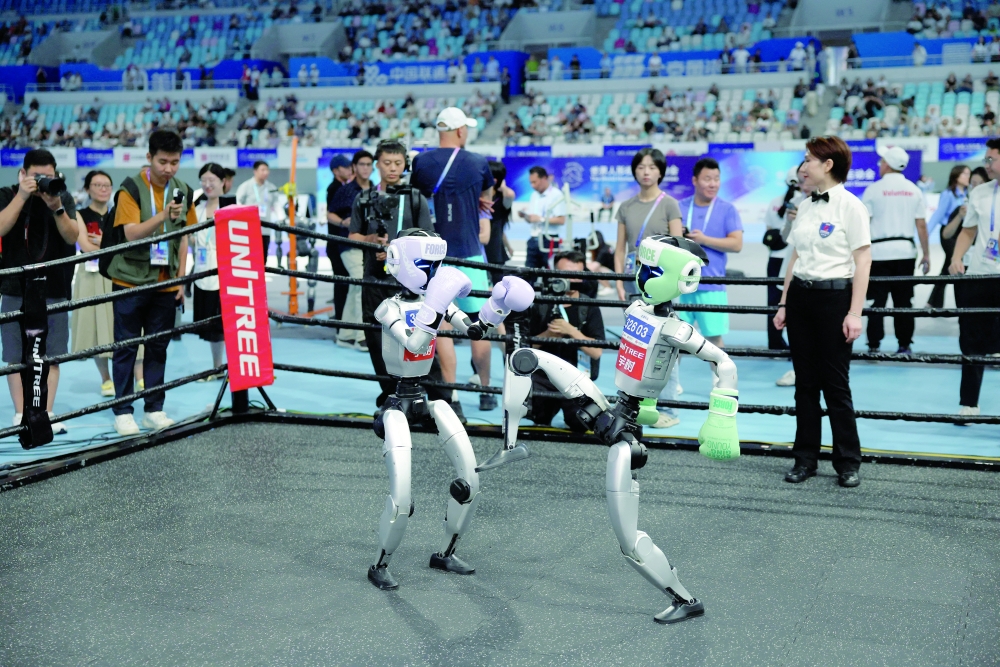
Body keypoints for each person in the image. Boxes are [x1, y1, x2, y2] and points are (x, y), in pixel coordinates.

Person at [774, 136, 871, 488]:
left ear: (827, 164)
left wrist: (855, 312)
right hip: (801, 297)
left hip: (835, 299)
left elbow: (863, 260)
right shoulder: (807, 204)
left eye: (809, 160)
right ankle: (805, 459)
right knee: (804, 384)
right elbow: (795, 256)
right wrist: (784, 302)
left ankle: (847, 461)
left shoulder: (851, 206)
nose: (803, 166)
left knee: (835, 384)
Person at [107, 129, 197, 437]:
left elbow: (185, 236)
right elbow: (131, 234)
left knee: (158, 348)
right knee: (126, 348)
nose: (169, 168)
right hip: (130, 281)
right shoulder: (129, 189)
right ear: (149, 158)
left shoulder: (183, 188)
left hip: (166, 284)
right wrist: (162, 216)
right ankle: (122, 411)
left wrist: (181, 280)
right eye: (163, 161)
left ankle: (154, 409)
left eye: (174, 162)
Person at [410, 108, 496, 414]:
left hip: (436, 258)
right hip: (471, 253)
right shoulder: (477, 162)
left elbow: (415, 199)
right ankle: (486, 391)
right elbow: (487, 194)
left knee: (442, 326)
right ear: (461, 131)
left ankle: (452, 397)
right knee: (479, 325)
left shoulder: (421, 162)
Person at [348, 141, 434, 409]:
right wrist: (372, 240)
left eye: (398, 163)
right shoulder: (363, 198)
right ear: (377, 164)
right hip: (373, 278)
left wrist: (399, 253)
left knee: (415, 336)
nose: (393, 168)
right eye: (387, 163)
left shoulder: (416, 198)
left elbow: (429, 239)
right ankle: (389, 391)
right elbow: (353, 236)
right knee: (375, 337)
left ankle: (416, 390)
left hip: (410, 284)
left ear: (405, 164)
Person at [0, 149, 79, 434]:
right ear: (23, 174)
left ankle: (46, 411)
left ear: (56, 174)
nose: (43, 181)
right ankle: (21, 413)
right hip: (13, 287)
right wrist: (22, 195)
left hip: (54, 286)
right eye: (36, 176)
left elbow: (73, 237)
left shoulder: (62, 197)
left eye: (48, 176)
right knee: (15, 353)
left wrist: (56, 206)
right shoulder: (8, 194)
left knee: (52, 353)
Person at [613, 147, 683, 428]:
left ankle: (669, 408)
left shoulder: (670, 204)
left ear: (661, 172)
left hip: (662, 281)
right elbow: (620, 249)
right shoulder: (626, 207)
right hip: (633, 279)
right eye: (641, 166)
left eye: (652, 167)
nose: (646, 171)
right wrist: (619, 281)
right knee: (635, 343)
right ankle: (634, 405)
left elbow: (680, 249)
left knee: (665, 343)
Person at [70, 170, 143, 398]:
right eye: (97, 184)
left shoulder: (121, 212)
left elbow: (128, 241)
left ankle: (139, 377)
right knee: (96, 329)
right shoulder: (80, 214)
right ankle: (106, 379)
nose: (103, 188)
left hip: (120, 272)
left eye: (106, 185)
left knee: (131, 325)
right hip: (91, 277)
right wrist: (108, 243)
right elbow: (84, 245)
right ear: (88, 188)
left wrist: (102, 242)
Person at [948, 138, 1000, 420]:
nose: (987, 164)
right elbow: (968, 231)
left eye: (992, 159)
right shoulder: (980, 192)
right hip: (979, 274)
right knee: (970, 339)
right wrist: (957, 257)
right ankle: (969, 403)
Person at [525, 250, 604, 430]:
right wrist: (548, 335)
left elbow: (597, 352)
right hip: (544, 378)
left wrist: (571, 331)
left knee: (581, 426)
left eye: (576, 274)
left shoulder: (589, 306)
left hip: (577, 379)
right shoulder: (542, 303)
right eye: (565, 273)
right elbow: (523, 348)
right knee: (538, 420)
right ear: (555, 274)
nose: (570, 279)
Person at [860, 146, 929, 355]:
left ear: (887, 164)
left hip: (879, 254)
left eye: (882, 162)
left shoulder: (873, 190)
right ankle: (904, 344)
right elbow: (921, 226)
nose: (880, 165)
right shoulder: (914, 190)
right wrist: (926, 254)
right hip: (906, 253)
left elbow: (863, 223)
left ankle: (873, 345)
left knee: (875, 303)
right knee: (904, 302)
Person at [676, 158, 743, 350]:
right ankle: (673, 382)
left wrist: (704, 240)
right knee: (675, 341)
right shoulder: (679, 207)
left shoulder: (727, 209)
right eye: (707, 178)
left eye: (716, 179)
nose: (713, 184)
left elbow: (737, 244)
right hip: (680, 285)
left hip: (712, 285)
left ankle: (720, 381)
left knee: (714, 342)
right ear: (695, 180)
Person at [763, 164, 808, 387]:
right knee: (783, 306)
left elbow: (769, 229)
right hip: (789, 260)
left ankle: (780, 346)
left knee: (777, 303)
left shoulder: (778, 202)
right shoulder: (798, 203)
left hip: (781, 258)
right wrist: (790, 221)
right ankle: (796, 359)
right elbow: (783, 234)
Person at [190, 163, 235, 381]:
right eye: (204, 181)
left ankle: (235, 368)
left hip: (228, 273)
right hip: (202, 270)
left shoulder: (233, 206)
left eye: (212, 181)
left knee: (230, 324)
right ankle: (217, 368)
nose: (208, 185)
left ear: (222, 182)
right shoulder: (196, 209)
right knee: (212, 327)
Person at [329, 150, 374, 351]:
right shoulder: (346, 190)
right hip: (348, 244)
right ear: (355, 167)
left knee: (355, 287)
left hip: (369, 244)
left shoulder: (377, 189)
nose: (366, 168)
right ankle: (361, 336)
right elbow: (329, 214)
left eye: (369, 164)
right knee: (362, 285)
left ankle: (345, 335)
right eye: (362, 164)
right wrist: (344, 222)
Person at [926, 165, 970, 309]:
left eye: (969, 174)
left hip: (961, 234)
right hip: (948, 234)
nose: (967, 177)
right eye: (964, 174)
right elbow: (938, 214)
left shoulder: (969, 193)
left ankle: (933, 302)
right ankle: (937, 302)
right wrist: (925, 234)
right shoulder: (948, 194)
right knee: (953, 263)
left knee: (947, 268)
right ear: (956, 176)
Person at [323, 153, 356, 326]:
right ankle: (341, 319)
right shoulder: (335, 189)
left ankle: (342, 318)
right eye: (346, 167)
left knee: (343, 282)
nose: (350, 169)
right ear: (336, 170)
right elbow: (331, 215)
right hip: (337, 243)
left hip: (338, 242)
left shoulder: (341, 187)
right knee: (342, 282)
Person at [234, 160, 280, 265]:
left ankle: (261, 280)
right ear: (255, 171)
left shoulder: (271, 187)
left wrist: (281, 219)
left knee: (263, 260)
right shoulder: (246, 186)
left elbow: (276, 204)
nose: (266, 172)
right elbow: (237, 202)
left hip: (265, 229)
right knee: (249, 260)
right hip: (249, 230)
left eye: (267, 170)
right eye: (262, 170)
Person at [518, 166, 566, 269]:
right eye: (531, 182)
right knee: (529, 272)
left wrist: (541, 219)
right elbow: (533, 219)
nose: (532, 185)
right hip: (534, 238)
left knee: (549, 273)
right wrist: (525, 216)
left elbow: (561, 220)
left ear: (544, 178)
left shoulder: (556, 195)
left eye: (535, 182)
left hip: (549, 239)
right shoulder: (534, 196)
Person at [484, 160, 514, 286]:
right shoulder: (479, 196)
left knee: (498, 285)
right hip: (479, 246)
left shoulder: (502, 198)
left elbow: (498, 227)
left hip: (495, 250)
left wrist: (507, 246)